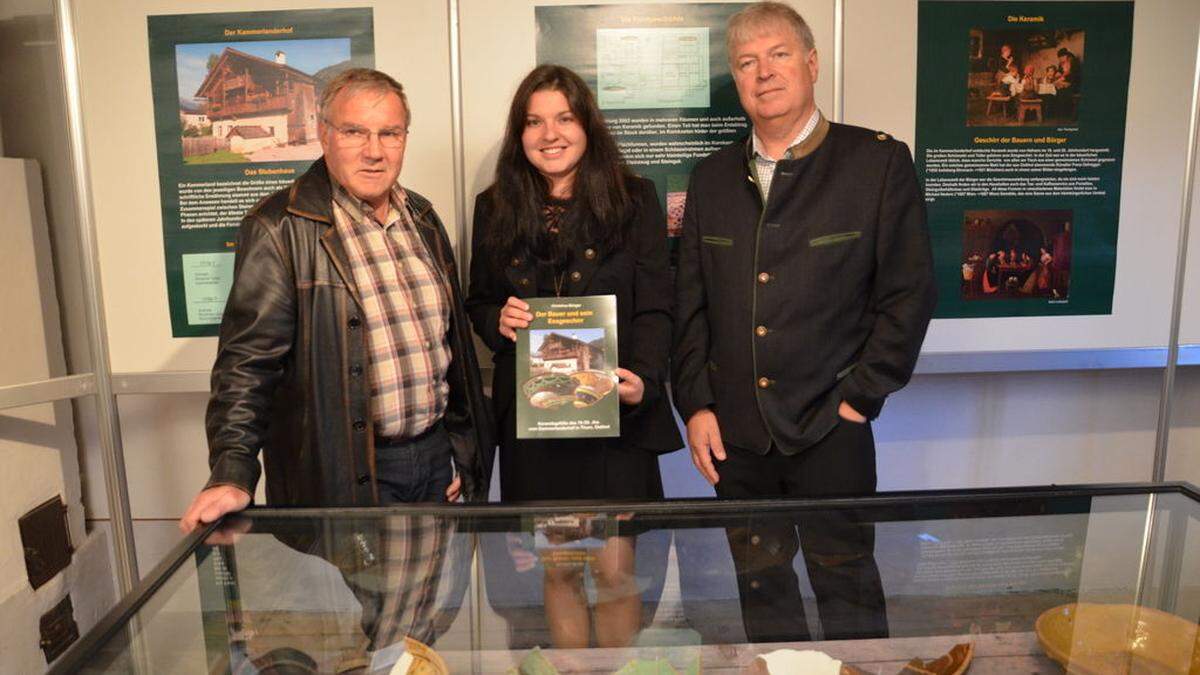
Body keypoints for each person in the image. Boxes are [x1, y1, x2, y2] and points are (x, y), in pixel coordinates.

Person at [672, 2, 936, 643]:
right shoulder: (710, 179)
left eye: (779, 55)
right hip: (736, 435)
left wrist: (861, 398)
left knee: (846, 581)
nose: (763, 73)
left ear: (812, 63)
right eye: (746, 62)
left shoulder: (875, 164)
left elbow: (909, 294)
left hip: (831, 427)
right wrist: (698, 406)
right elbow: (691, 305)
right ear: (736, 79)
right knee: (761, 588)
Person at [179, 68, 492, 534]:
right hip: (344, 470)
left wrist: (460, 452)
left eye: (390, 133)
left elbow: (452, 351)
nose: (374, 150)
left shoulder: (423, 218)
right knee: (350, 604)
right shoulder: (279, 227)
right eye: (354, 132)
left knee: (436, 603)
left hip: (433, 463)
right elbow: (246, 366)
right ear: (324, 135)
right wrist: (233, 470)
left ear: (405, 138)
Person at [465, 64, 681, 647]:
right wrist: (496, 320)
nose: (549, 133)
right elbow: (478, 302)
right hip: (537, 423)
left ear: (587, 125)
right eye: (534, 121)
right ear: (520, 133)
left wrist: (645, 383)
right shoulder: (493, 205)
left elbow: (657, 306)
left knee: (614, 570)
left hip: (614, 414)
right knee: (558, 567)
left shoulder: (634, 199)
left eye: (563, 117)